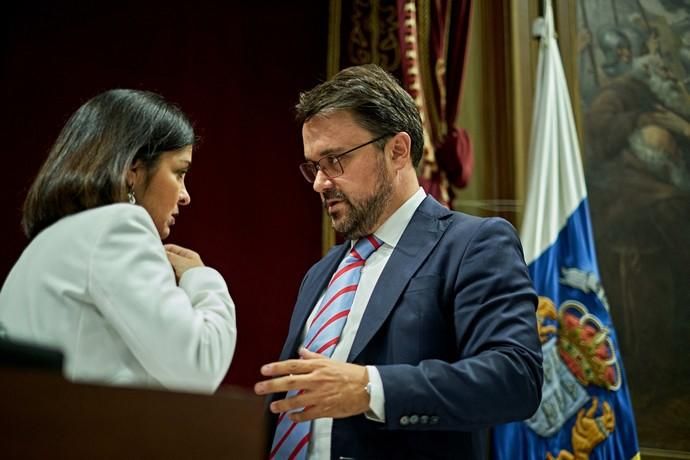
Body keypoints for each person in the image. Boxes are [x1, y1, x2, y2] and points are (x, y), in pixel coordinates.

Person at [254, 64, 543, 460]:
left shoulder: (472, 244)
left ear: (397, 150)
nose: (321, 183)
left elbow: (514, 377)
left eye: (335, 160)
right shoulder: (321, 273)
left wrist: (370, 388)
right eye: (314, 167)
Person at [0, 89, 236, 394]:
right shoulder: (120, 226)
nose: (185, 195)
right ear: (132, 170)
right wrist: (200, 277)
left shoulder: (47, 242)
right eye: (179, 172)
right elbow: (200, 366)